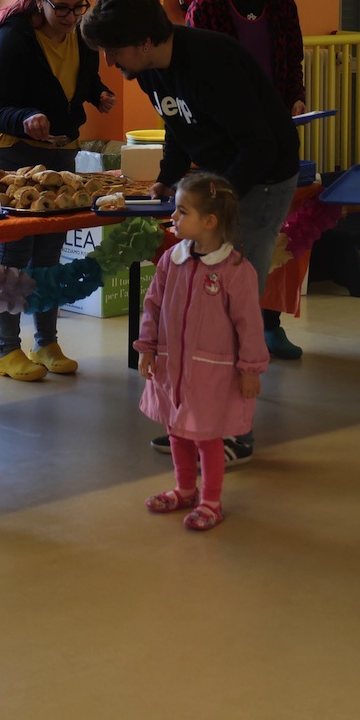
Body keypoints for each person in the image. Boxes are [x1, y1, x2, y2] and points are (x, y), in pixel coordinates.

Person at [80, 0, 300, 468]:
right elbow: (176, 124)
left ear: (144, 41)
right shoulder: (149, 70)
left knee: (228, 313)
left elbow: (260, 146)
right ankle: (195, 423)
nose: (110, 63)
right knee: (196, 311)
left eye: (114, 51)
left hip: (261, 180)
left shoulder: (212, 63)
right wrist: (168, 177)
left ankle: (233, 433)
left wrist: (215, 204)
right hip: (221, 179)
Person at [0, 0, 116, 382]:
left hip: (61, 149)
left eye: (79, 7)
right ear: (39, 1)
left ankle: (46, 343)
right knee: (15, 253)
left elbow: (80, 81)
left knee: (50, 252)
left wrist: (98, 94)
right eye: (62, 8)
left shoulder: (82, 34)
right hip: (13, 151)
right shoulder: (12, 39)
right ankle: (6, 350)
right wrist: (25, 117)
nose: (72, 17)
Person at [184, 0, 308, 360]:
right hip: (232, 142)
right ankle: (229, 334)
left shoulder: (280, 0)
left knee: (271, 237)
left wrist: (295, 99)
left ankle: (268, 323)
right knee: (235, 242)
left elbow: (292, 61)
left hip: (275, 138)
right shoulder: (208, 7)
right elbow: (202, 83)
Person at [135, 173, 267, 532]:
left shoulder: (236, 271)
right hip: (171, 368)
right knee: (177, 431)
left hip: (211, 372)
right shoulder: (171, 260)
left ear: (209, 221)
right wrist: (147, 347)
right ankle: (185, 489)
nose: (173, 216)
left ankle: (211, 501)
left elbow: (249, 325)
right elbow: (153, 305)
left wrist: (250, 369)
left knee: (207, 437)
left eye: (182, 211)